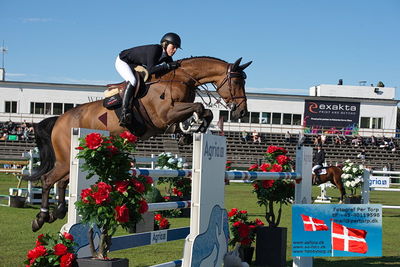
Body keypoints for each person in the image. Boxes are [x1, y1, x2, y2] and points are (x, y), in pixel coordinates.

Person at [115, 32, 182, 126]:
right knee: (133, 80)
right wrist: (167, 66)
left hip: (135, 63)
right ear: (165, 44)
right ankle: (125, 112)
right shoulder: (155, 49)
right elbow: (150, 70)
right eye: (173, 47)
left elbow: (170, 70)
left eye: (176, 48)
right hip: (123, 61)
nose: (174, 50)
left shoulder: (167, 57)